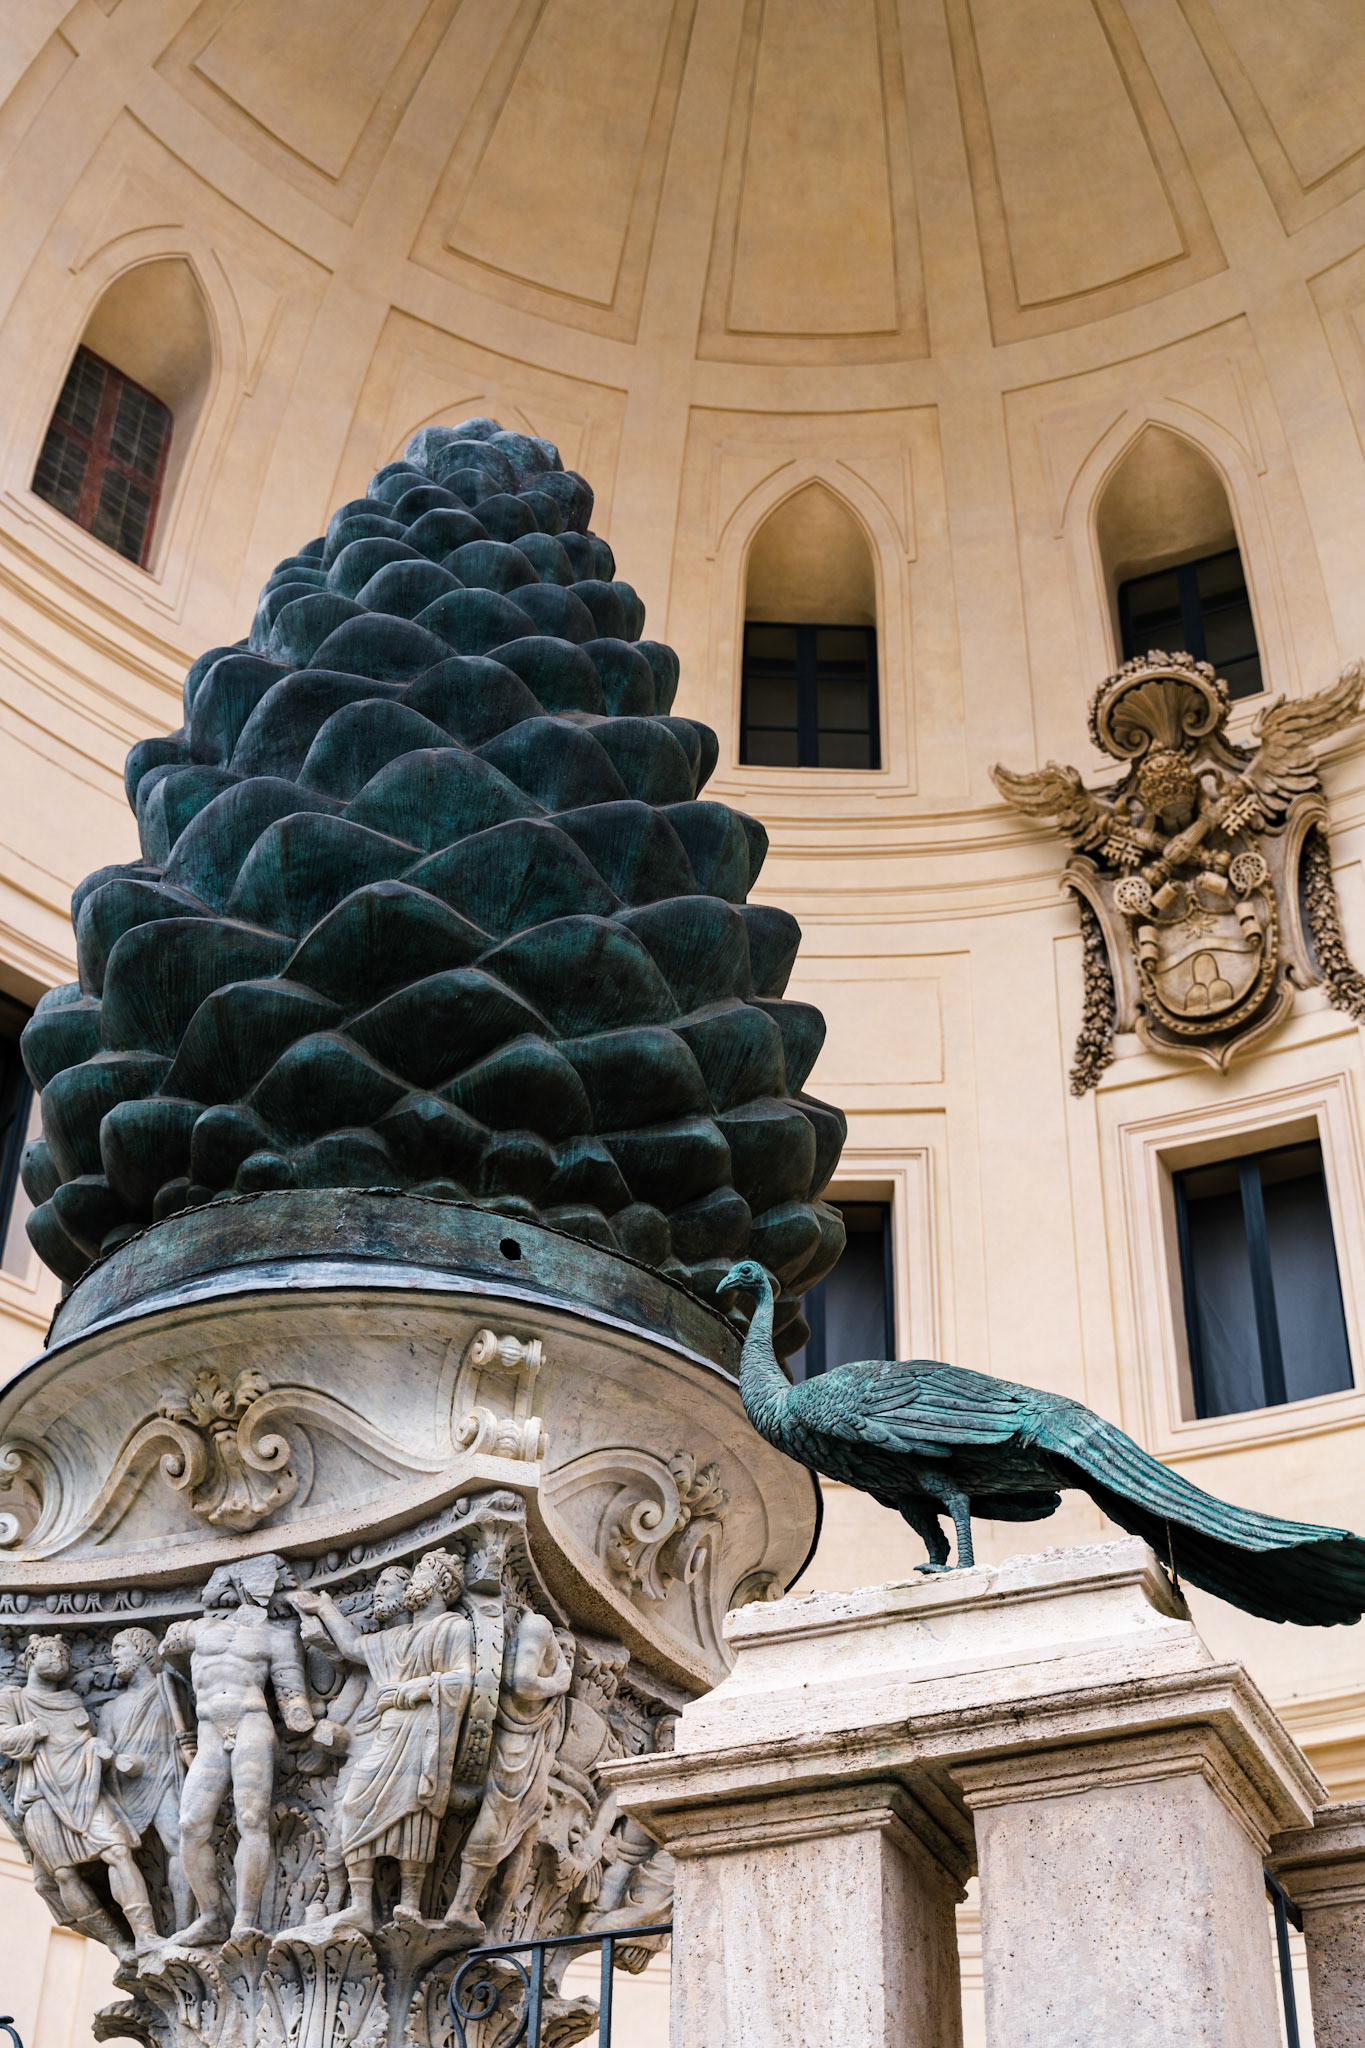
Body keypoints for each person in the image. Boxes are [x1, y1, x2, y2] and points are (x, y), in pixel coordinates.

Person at [290, 1549, 473, 1930]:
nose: (416, 1576)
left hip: (425, 1730)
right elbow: (353, 1648)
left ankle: (409, 1903)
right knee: (355, 1804)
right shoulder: (395, 1636)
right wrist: (325, 1608)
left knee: (415, 1811)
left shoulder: (452, 1628)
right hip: (389, 1734)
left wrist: (412, 1690)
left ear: (441, 1583)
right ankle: (360, 1903)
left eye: (422, 1570)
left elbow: (464, 1680)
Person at [160, 1553, 314, 1945]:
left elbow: (292, 1698)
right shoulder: (194, 1629)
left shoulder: (278, 1637)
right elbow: (166, 1660)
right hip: (210, 1727)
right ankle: (210, 1915)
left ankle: (245, 1918)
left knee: (251, 1819)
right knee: (190, 1824)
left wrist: (311, 1720)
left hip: (252, 1723)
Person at [0, 1634, 159, 1956]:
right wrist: (30, 1731)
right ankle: (119, 1944)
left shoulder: (72, 1700)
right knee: (63, 1874)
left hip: (83, 1788)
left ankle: (147, 1935)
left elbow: (77, 1744)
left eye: (64, 1655)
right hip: (40, 1796)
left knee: (118, 1850)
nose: (60, 1659)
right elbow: (3, 1739)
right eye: (50, 1652)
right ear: (30, 1657)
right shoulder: (13, 1698)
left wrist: (95, 1748)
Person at [444, 1611, 571, 1945]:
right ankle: (461, 1905)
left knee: (526, 1837)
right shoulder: (538, 1625)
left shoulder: (541, 1633)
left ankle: (496, 1926)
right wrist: (558, 1683)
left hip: (531, 1749)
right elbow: (523, 1681)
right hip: (515, 1745)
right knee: (497, 1822)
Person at [96, 1627, 193, 1932]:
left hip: (163, 1777)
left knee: (179, 1843)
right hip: (125, 1789)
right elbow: (100, 1750)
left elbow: (188, 1729)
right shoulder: (111, 1709)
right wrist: (113, 1759)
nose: (113, 1656)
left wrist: (190, 1745)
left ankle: (185, 1923)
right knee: (120, 1856)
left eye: (120, 1648)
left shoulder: (169, 1690)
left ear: (142, 1651)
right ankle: (144, 1931)